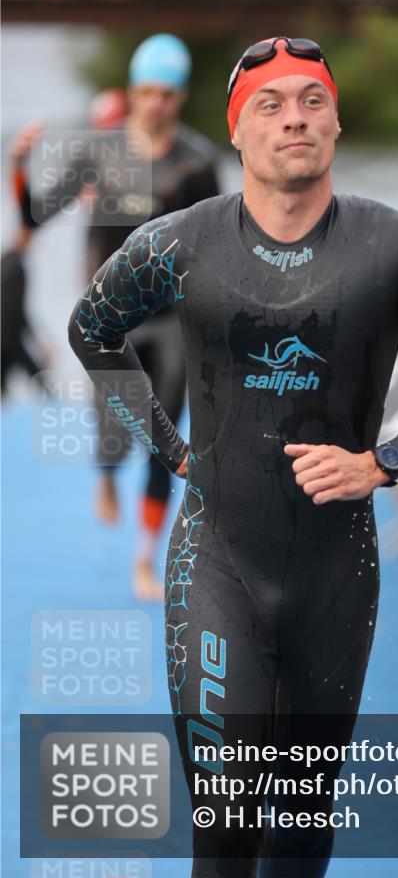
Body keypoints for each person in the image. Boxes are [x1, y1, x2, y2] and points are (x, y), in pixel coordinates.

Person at [67, 35, 398, 876]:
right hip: (217, 563)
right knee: (226, 823)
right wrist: (167, 445)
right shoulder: (178, 244)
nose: (293, 117)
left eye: (311, 99)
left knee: (299, 839)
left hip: (335, 576)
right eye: (269, 104)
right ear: (236, 132)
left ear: (335, 121)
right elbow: (91, 330)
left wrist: (380, 463)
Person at [10, 33, 221, 600]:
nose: (156, 103)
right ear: (133, 91)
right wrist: (19, 166)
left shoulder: (197, 162)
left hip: (174, 318)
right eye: (147, 91)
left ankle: (145, 559)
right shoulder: (98, 151)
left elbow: (221, 247)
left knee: (168, 438)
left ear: (180, 97)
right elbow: (35, 219)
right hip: (109, 321)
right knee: (114, 436)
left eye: (167, 94)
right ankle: (105, 476)